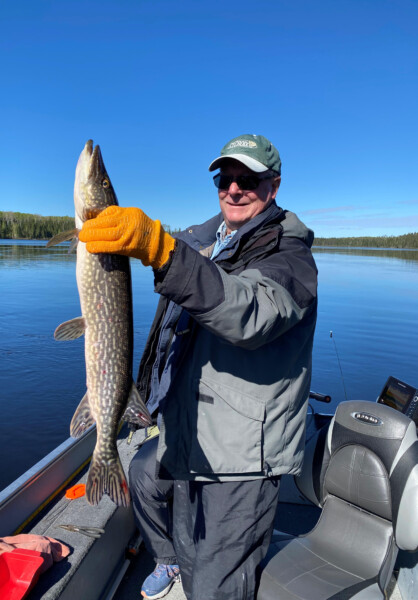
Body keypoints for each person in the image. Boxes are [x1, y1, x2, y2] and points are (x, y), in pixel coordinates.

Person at [79, 134, 318, 600]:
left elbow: (250, 312)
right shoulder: (206, 242)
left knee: (216, 585)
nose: (233, 189)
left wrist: (165, 252)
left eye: (247, 180)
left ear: (274, 186)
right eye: (224, 179)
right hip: (192, 432)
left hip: (242, 455)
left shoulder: (291, 257)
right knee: (175, 531)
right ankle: (170, 564)